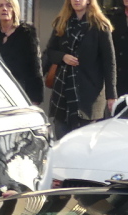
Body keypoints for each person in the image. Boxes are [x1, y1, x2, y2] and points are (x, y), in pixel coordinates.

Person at [44, 0, 117, 138]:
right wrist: (63, 56)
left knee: (83, 145)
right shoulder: (62, 22)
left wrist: (111, 95)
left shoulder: (100, 25)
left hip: (89, 94)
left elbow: (109, 62)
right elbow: (50, 51)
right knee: (62, 143)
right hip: (63, 92)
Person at [0, 0, 44, 105]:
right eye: (0, 6)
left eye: (8, 5)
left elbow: (35, 69)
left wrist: (35, 99)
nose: (4, 9)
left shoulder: (26, 34)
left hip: (19, 93)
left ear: (15, 9)